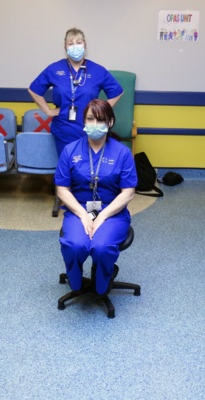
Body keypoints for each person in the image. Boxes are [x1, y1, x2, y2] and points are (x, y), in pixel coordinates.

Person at [54, 99, 137, 296]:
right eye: (90, 119)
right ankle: (75, 283)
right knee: (74, 245)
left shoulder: (122, 153)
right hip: (79, 208)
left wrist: (103, 215)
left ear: (109, 123)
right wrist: (83, 215)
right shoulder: (70, 150)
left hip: (112, 211)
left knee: (101, 247)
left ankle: (102, 284)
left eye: (101, 120)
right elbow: (62, 189)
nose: (95, 124)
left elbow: (128, 192)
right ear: (84, 121)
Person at [28, 27, 124, 155]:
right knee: (66, 167)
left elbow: (117, 92)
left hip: (90, 129)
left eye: (79, 42)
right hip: (63, 129)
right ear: (65, 47)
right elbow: (34, 89)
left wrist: (100, 111)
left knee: (87, 168)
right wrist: (48, 110)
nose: (75, 47)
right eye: (70, 43)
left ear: (85, 45)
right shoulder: (55, 69)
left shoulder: (97, 70)